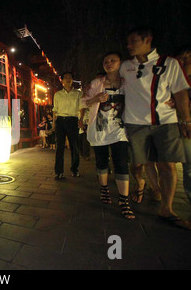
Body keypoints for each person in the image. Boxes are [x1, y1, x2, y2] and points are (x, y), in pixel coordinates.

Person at [121, 26, 191, 229]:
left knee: (167, 165)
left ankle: (166, 208)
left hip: (165, 123)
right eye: (128, 42)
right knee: (138, 164)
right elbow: (114, 81)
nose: (129, 45)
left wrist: (186, 121)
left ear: (148, 39)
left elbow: (179, 92)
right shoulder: (126, 66)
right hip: (135, 124)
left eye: (133, 41)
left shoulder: (169, 63)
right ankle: (146, 185)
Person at [81, 52, 135, 219]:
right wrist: (95, 98)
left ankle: (124, 200)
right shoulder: (97, 83)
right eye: (106, 61)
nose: (109, 63)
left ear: (121, 62)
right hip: (99, 128)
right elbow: (83, 102)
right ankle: (104, 189)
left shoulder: (128, 83)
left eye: (113, 60)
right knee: (102, 160)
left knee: (121, 162)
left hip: (120, 128)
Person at [52, 72, 81, 179]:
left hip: (73, 120)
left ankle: (74, 169)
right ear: (62, 80)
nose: (68, 79)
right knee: (59, 147)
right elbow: (55, 110)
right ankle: (59, 171)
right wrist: (54, 123)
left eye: (70, 77)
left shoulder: (78, 93)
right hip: (60, 121)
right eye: (66, 78)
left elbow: (81, 108)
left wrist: (81, 120)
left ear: (72, 80)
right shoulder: (57, 94)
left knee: (74, 146)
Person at [176, 45, 191, 204]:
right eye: (183, 58)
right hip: (184, 126)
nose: (186, 61)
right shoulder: (175, 83)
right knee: (189, 168)